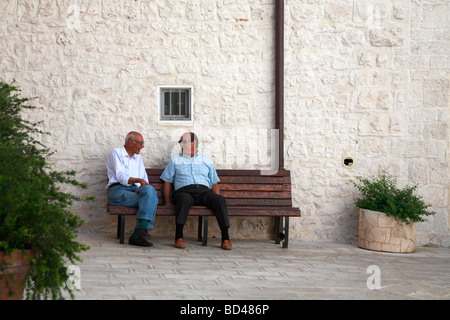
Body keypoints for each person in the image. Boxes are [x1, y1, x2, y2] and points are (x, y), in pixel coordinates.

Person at [160, 132, 232, 250]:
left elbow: (214, 182)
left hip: (204, 192)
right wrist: (167, 202)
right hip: (184, 192)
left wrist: (215, 201)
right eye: (180, 142)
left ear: (194, 143)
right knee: (184, 199)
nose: (181, 144)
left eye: (183, 141)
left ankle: (225, 238)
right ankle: (179, 237)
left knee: (219, 200)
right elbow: (167, 181)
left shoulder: (206, 160)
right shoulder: (176, 160)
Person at [106, 131, 158, 247]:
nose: (143, 146)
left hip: (135, 191)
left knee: (150, 192)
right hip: (118, 191)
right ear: (131, 142)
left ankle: (138, 232)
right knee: (151, 198)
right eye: (141, 143)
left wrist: (146, 189)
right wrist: (138, 181)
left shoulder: (138, 158)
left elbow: (144, 179)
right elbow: (121, 176)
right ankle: (138, 232)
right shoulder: (116, 153)